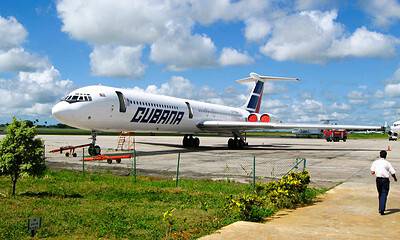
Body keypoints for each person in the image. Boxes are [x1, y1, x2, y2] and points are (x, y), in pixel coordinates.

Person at [370, 150, 397, 215]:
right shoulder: (387, 163)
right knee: (384, 194)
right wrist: (395, 178)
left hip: (378, 180)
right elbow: (392, 172)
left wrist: (376, 171)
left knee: (380, 193)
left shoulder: (375, 162)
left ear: (380, 155)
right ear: (386, 155)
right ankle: (382, 209)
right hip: (385, 180)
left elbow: (372, 172)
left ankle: (380, 208)